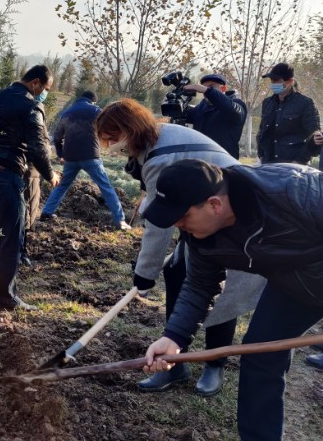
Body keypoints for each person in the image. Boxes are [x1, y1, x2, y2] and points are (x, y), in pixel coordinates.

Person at [141, 159, 323, 441]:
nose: (178, 225)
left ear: (214, 205)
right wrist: (174, 336)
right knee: (259, 355)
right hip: (294, 288)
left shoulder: (296, 191)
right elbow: (199, 285)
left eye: (182, 217)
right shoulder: (201, 235)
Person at [95, 98, 266, 396]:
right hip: (199, 215)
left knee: (221, 294)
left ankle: (214, 365)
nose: (110, 145)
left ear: (128, 130)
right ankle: (176, 361)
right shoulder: (155, 140)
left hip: (230, 219)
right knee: (176, 275)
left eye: (112, 138)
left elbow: (159, 227)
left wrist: (144, 275)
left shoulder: (160, 156)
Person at [0, 65, 60, 311]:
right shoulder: (31, 106)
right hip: (8, 177)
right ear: (36, 83)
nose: (44, 94)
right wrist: (50, 175)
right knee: (11, 240)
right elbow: (38, 148)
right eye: (45, 89)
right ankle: (6, 299)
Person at [39, 90, 130, 230]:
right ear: (92, 101)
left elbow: (57, 137)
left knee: (62, 186)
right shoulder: (96, 110)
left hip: (71, 158)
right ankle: (120, 220)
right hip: (91, 156)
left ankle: (46, 212)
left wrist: (60, 154)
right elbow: (108, 130)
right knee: (105, 187)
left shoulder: (67, 113)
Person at [257, 62, 321, 164]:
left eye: (277, 81)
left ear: (290, 81)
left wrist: (298, 162)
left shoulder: (305, 103)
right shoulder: (267, 103)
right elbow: (262, 132)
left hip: (294, 165)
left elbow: (314, 137)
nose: (273, 84)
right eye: (272, 81)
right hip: (268, 162)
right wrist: (261, 155)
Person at [182, 74, 247, 159]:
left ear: (223, 88)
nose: (205, 92)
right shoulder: (201, 107)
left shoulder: (236, 103)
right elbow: (184, 116)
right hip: (201, 161)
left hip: (225, 161)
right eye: (204, 87)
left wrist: (208, 91)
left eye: (211, 87)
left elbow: (232, 110)